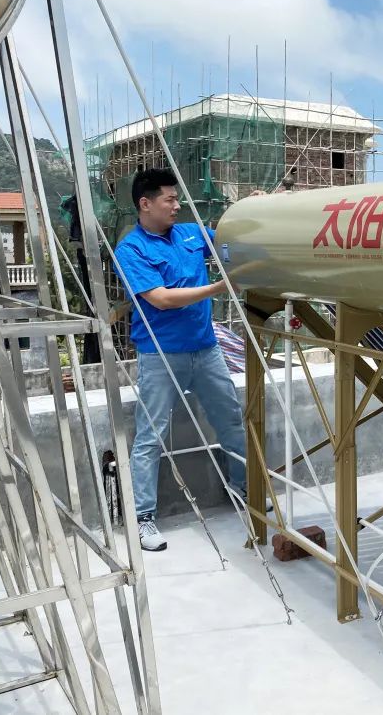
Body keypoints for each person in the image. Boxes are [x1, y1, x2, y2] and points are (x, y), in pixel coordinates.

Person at [114, 167, 255, 551]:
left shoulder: (192, 234)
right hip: (160, 356)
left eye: (177, 199)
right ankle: (143, 519)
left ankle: (244, 492)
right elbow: (160, 298)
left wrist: (252, 210)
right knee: (151, 435)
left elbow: (228, 241)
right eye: (169, 199)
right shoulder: (131, 250)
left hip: (206, 349)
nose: (177, 205)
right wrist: (217, 287)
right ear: (146, 204)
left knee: (230, 420)